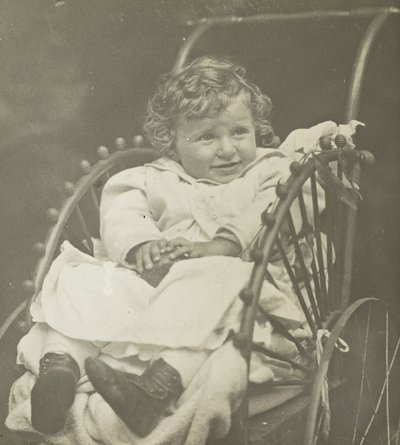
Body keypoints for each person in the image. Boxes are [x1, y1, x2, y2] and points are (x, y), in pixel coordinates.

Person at [16, 55, 309, 438]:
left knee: (228, 281)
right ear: (172, 141)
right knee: (82, 278)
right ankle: (60, 367)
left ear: (257, 127)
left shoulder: (272, 170)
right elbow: (122, 213)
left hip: (233, 289)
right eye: (207, 137)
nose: (227, 149)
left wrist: (222, 245)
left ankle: (155, 388)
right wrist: (142, 246)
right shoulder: (153, 177)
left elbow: (272, 210)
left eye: (239, 132)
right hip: (156, 286)